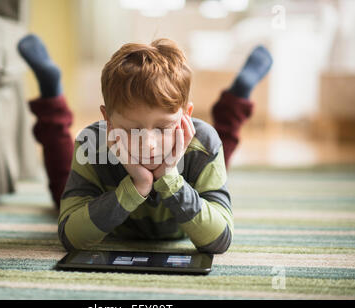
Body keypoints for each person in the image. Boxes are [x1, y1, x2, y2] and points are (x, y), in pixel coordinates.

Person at [18, 35, 272, 253]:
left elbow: (220, 240)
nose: (149, 145)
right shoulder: (93, 143)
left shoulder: (200, 143)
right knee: (62, 186)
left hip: (189, 168)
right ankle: (51, 92)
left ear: (186, 116)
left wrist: (170, 177)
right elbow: (71, 235)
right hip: (108, 190)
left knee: (212, 145)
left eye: (163, 128)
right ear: (107, 119)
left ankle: (239, 95)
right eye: (131, 130)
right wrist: (137, 186)